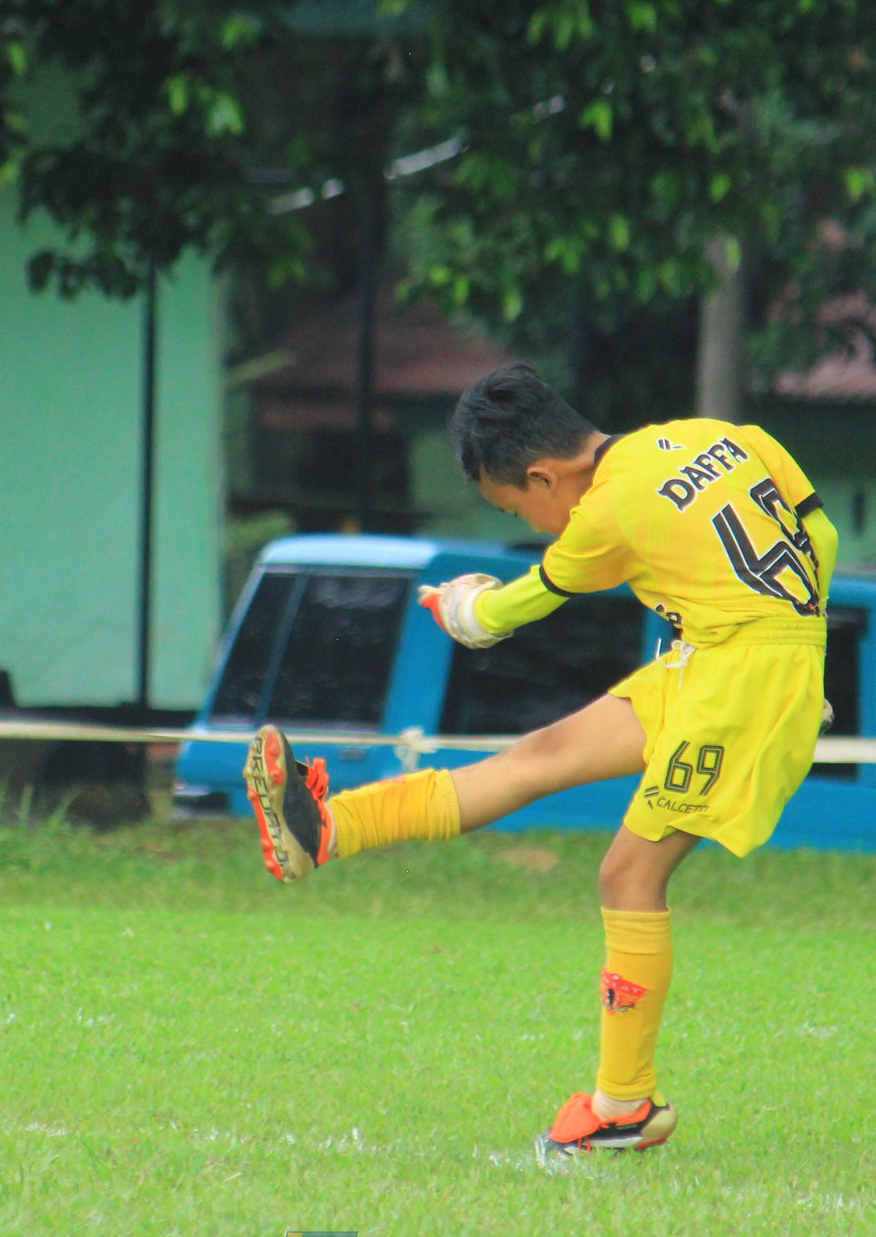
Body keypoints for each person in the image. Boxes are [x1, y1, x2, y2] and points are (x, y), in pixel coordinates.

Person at [243, 364, 837, 1159]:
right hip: (719, 655)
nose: (535, 522)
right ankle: (325, 829)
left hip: (735, 674)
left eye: (516, 508)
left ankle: (623, 1106)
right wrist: (799, 654)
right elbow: (822, 537)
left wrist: (459, 604)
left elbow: (508, 610)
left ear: (542, 475)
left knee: (627, 875)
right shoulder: (719, 437)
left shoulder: (607, 507)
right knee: (538, 756)